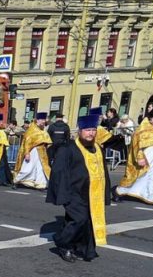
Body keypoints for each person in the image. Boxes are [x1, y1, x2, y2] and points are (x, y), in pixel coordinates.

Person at [46, 112, 110, 262]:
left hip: (92, 193)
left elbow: (103, 172)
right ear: (80, 131)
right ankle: (62, 242)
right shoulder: (67, 148)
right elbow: (58, 172)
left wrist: (105, 193)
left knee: (87, 221)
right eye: (87, 130)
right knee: (79, 219)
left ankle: (79, 248)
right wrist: (62, 195)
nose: (91, 133)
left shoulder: (97, 148)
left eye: (93, 130)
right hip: (73, 192)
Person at [115, 108, 153, 205]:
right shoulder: (143, 129)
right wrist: (140, 157)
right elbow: (137, 144)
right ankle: (120, 191)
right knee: (140, 177)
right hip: (147, 158)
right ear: (151, 119)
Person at [13, 112, 52, 190]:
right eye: (42, 120)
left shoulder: (42, 130)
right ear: (37, 120)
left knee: (41, 168)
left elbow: (47, 139)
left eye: (44, 120)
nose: (44, 121)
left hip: (42, 152)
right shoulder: (32, 130)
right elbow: (27, 143)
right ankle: (16, 181)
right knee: (28, 168)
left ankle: (40, 185)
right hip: (33, 151)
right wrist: (27, 153)